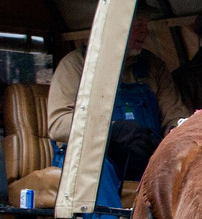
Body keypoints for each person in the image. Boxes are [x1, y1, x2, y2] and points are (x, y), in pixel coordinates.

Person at [45, 16, 189, 183]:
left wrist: (177, 135)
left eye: (145, 23)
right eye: (137, 23)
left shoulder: (153, 66)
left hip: (145, 160)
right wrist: (112, 130)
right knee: (96, 173)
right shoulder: (76, 65)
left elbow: (175, 116)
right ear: (113, 23)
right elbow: (58, 123)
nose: (145, 30)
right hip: (92, 163)